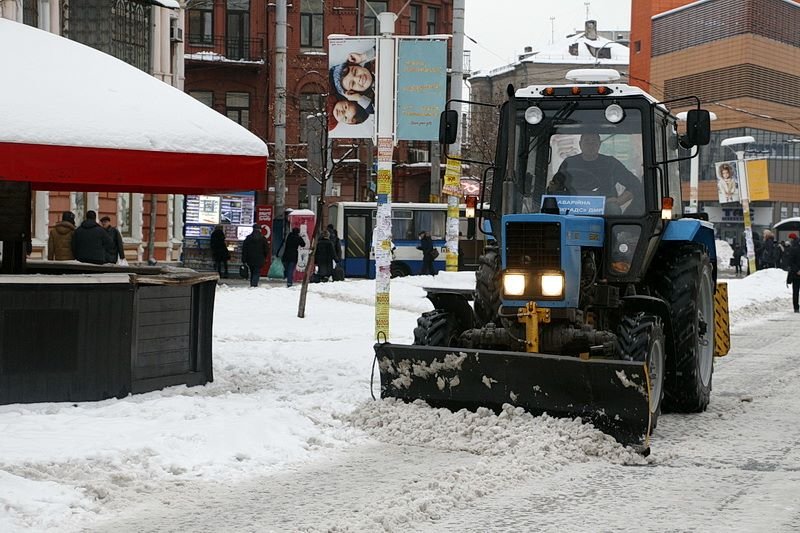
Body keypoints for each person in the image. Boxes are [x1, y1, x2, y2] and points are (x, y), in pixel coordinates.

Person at [556, 133, 643, 214]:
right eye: (587, 142)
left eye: (594, 142)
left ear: (599, 144)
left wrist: (620, 200)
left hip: (604, 206)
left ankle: (614, 230)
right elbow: (555, 186)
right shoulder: (569, 163)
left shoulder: (610, 163)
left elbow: (634, 184)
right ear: (580, 144)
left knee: (613, 209)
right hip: (573, 205)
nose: (591, 146)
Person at [241, 223, 269, 287]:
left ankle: (252, 284)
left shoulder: (248, 238)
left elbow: (244, 249)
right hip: (259, 259)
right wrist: (264, 256)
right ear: (259, 230)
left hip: (250, 258)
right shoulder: (263, 239)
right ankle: (254, 285)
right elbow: (266, 249)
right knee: (257, 272)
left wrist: (244, 259)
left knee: (252, 271)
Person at [785, 233, 800, 313]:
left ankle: (796, 307)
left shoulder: (793, 249)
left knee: (796, 291)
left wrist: (797, 270)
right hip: (796, 272)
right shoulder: (794, 248)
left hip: (795, 274)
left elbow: (790, 262)